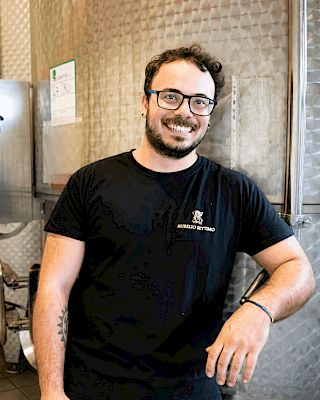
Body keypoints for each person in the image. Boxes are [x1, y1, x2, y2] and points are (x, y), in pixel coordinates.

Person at [33, 44, 315, 400]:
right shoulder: (91, 183)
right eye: (170, 96)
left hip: (190, 390)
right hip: (93, 387)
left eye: (199, 101)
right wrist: (51, 391)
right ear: (144, 102)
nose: (185, 112)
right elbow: (53, 290)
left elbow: (298, 270)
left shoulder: (233, 190)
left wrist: (259, 310)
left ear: (210, 114)